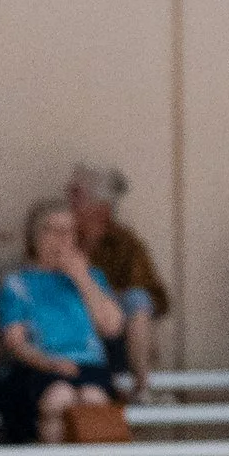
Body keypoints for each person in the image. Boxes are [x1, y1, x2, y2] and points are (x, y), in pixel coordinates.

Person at [0, 198, 129, 456]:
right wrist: (50, 363)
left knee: (93, 398)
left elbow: (112, 328)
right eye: (51, 230)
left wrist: (82, 278)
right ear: (34, 236)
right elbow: (15, 341)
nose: (60, 238)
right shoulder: (18, 283)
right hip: (40, 367)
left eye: (68, 231)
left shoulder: (93, 277)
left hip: (89, 365)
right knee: (60, 396)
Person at [69, 166, 171, 401]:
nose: (69, 200)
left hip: (112, 331)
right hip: (66, 323)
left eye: (77, 194)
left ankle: (142, 387)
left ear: (102, 208)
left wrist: (105, 298)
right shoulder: (60, 234)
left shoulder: (125, 243)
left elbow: (156, 296)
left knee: (138, 300)